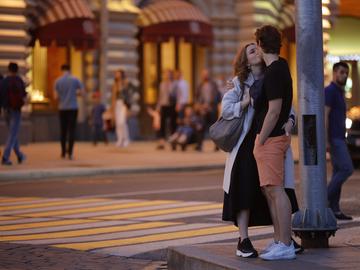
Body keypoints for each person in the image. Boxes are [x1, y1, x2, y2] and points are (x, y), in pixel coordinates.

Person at [221, 43, 301, 259]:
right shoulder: (238, 83)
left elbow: (287, 107)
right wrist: (245, 102)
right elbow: (225, 110)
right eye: (251, 51)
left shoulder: (273, 74)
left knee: (273, 188)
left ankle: (283, 237)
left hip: (269, 139)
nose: (256, 51)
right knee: (245, 190)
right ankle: (243, 239)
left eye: (257, 48)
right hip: (246, 144)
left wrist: (290, 122)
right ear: (246, 61)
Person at [253, 25, 295, 260]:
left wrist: (261, 139)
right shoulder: (279, 68)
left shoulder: (274, 71)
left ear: (260, 44)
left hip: (271, 138)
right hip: (274, 137)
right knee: (270, 190)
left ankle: (286, 245)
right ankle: (280, 240)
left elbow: (274, 110)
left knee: (277, 191)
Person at [325, 62, 353, 220]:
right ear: (335, 72)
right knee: (346, 169)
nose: (344, 75)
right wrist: (326, 141)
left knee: (338, 171)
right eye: (341, 72)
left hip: (340, 137)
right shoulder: (330, 91)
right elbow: (325, 115)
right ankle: (324, 200)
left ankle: (335, 209)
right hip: (334, 139)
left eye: (346, 73)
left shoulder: (339, 92)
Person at [54, 64, 84, 160]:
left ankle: (63, 152)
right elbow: (82, 92)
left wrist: (63, 97)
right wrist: (75, 94)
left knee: (63, 130)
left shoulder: (57, 81)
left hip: (62, 108)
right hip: (73, 107)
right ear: (70, 70)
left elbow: (55, 97)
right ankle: (70, 153)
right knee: (72, 130)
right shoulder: (75, 80)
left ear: (61, 70)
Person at [1, 62, 27, 165]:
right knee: (13, 134)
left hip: (6, 109)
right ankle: (5, 157)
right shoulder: (19, 80)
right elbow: (23, 95)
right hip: (16, 110)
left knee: (13, 133)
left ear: (8, 69)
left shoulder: (4, 81)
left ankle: (20, 155)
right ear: (17, 70)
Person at [195, 69, 221, 151]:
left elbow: (218, 97)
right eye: (203, 74)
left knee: (214, 128)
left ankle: (216, 145)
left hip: (212, 109)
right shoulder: (200, 85)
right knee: (200, 127)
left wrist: (211, 105)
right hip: (203, 110)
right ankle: (199, 145)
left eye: (206, 74)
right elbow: (197, 97)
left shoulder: (213, 85)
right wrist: (200, 106)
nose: (205, 76)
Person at [156, 69, 177, 149]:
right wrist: (158, 107)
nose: (167, 76)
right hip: (163, 105)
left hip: (172, 106)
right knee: (162, 125)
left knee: (172, 124)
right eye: (166, 74)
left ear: (171, 75)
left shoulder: (175, 84)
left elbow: (177, 95)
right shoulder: (161, 84)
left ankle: (173, 142)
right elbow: (160, 96)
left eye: (169, 74)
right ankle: (162, 142)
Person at [111, 69, 131, 148]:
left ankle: (126, 139)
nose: (117, 75)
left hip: (124, 104)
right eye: (116, 74)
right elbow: (113, 97)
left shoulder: (125, 83)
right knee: (118, 123)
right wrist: (112, 107)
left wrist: (128, 108)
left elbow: (128, 96)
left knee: (122, 122)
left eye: (118, 74)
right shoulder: (114, 84)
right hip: (117, 104)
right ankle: (119, 139)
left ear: (122, 75)